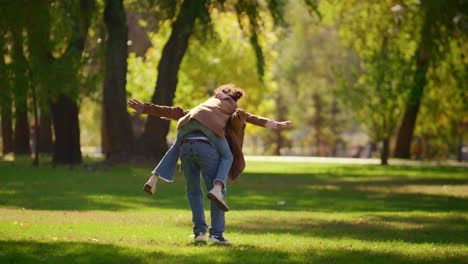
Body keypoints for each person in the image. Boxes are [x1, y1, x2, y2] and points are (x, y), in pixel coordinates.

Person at [128, 84, 291, 211]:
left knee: (175, 149)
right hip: (209, 129)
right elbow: (248, 117)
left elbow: (176, 112)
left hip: (187, 123)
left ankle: (153, 179)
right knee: (228, 156)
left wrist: (146, 108)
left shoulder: (207, 104)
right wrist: (273, 124)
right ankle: (218, 188)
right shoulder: (230, 105)